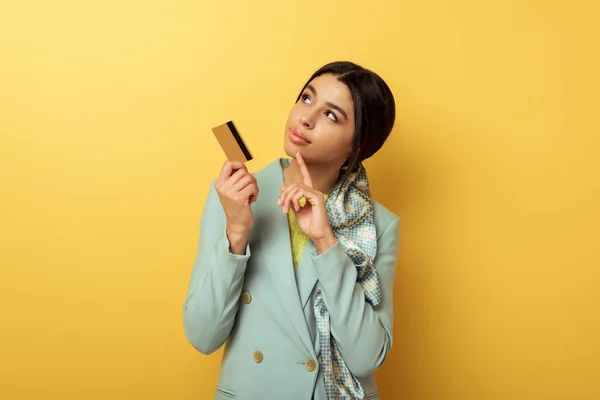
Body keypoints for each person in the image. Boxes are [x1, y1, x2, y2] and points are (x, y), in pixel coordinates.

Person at [183, 61, 402, 400]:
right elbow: (202, 336)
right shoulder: (235, 195)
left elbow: (366, 357)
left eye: (332, 115)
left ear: (357, 147)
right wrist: (237, 235)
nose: (306, 118)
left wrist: (326, 242)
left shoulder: (377, 224)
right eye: (306, 98)